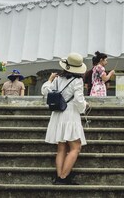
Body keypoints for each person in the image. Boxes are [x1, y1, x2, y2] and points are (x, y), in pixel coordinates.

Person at [41, 53, 88, 185]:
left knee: (61, 147)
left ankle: (59, 176)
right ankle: (63, 177)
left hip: (57, 114)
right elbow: (79, 101)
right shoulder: (77, 81)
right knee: (75, 147)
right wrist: (84, 105)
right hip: (70, 115)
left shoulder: (57, 79)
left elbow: (45, 91)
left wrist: (49, 80)